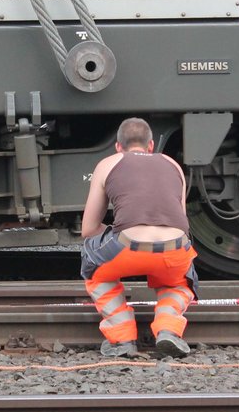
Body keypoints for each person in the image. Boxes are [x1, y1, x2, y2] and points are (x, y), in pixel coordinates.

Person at [80, 117, 197, 357]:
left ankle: (121, 336)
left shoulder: (108, 164)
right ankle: (168, 329)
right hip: (175, 249)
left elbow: (88, 229)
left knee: (91, 258)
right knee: (180, 281)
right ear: (151, 145)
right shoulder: (173, 165)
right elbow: (181, 225)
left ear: (118, 147)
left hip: (126, 248)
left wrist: (119, 232)